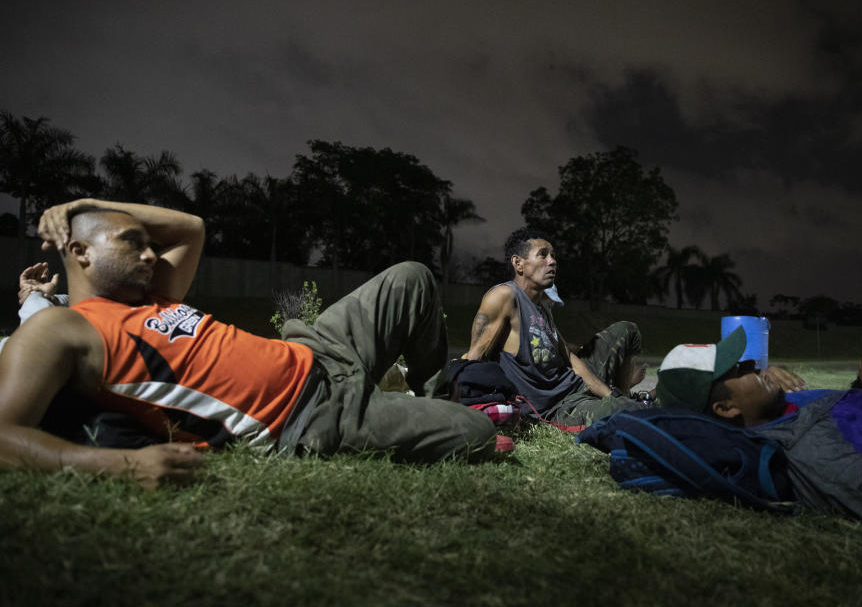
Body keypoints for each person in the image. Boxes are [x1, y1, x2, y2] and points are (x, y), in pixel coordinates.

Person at [0, 198, 496, 488]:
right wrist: (120, 464)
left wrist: (83, 205)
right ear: (79, 251)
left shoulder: (151, 295)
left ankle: (430, 399)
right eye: (133, 242)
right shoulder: (62, 328)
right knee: (478, 434)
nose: (152, 253)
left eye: (150, 244)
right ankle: (404, 411)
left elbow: (191, 227)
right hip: (310, 417)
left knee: (412, 277)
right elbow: (3, 433)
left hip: (318, 348)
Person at [655, 325, 862, 542]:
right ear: (725, 408)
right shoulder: (815, 455)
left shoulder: (767, 408)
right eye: (741, 370)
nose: (756, 367)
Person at [463, 228, 649, 426]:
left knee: (627, 330)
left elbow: (568, 356)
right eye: (543, 255)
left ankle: (623, 393)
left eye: (553, 256)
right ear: (518, 263)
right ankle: (626, 403)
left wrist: (610, 395)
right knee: (634, 412)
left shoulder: (542, 307)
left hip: (573, 386)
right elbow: (474, 358)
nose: (552, 261)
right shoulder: (504, 296)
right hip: (557, 408)